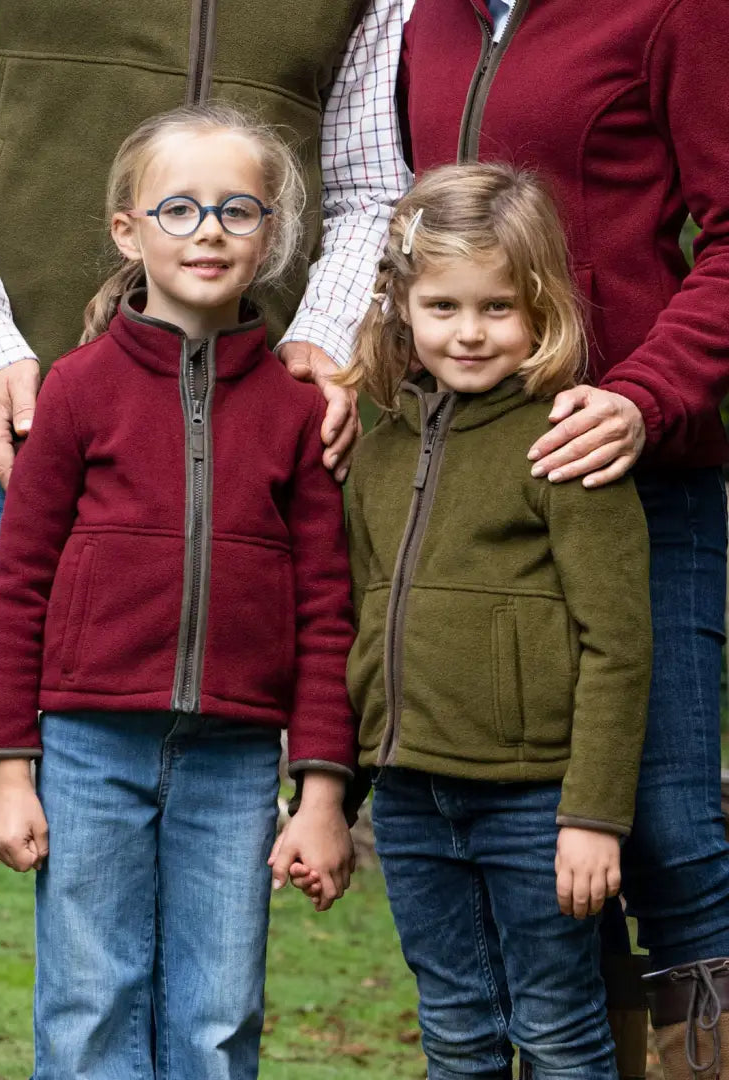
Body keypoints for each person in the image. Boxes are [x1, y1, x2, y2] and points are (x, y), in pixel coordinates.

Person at [0, 1, 410, 1074]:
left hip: (239, 423)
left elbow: (377, 175)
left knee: (207, 985)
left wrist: (326, 338)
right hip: (12, 416)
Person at [0, 102, 358, 1080]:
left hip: (234, 767)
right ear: (128, 229)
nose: (209, 232)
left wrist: (320, 794)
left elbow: (325, 610)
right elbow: (19, 586)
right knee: (90, 1001)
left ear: (270, 234)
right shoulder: (76, 390)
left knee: (219, 1013)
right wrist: (12, 775)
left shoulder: (293, 412)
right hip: (88, 752)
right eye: (179, 209)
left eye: (238, 209)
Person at [399, 2, 729, 1074]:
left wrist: (646, 394)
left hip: (643, 475)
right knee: (547, 849)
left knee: (669, 830)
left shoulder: (676, 12)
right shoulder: (422, 22)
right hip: (481, 497)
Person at [330, 163, 651, 1078]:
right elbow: (359, 629)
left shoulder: (566, 439)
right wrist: (335, 796)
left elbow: (618, 645)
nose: (468, 333)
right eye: (443, 306)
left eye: (498, 307)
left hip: (536, 807)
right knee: (457, 1030)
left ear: (542, 307)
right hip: (412, 801)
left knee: (557, 1030)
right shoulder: (379, 446)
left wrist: (592, 817)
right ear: (403, 306)